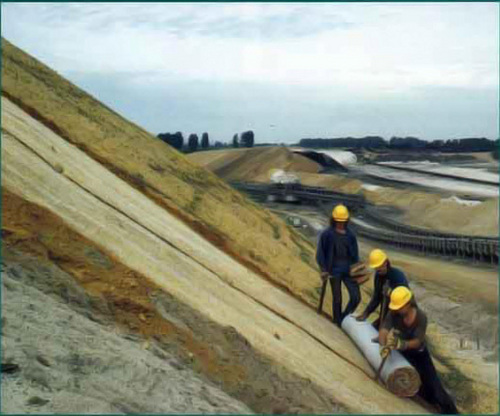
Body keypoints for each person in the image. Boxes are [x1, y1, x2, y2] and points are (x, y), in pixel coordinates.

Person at [379, 287, 459, 414]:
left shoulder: (421, 317)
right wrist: (383, 345)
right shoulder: (394, 314)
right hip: (404, 354)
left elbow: (417, 341)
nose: (397, 309)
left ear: (408, 303)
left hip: (420, 355)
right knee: (419, 388)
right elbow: (384, 329)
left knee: (435, 388)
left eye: (399, 307)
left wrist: (402, 344)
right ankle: (431, 404)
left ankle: (452, 411)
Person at [316, 204, 360, 326]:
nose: (340, 224)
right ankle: (337, 322)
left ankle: (343, 318)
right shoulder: (327, 234)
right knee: (337, 299)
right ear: (333, 220)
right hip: (333, 271)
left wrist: (357, 270)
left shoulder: (351, 236)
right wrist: (323, 269)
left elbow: (355, 255)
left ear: (346, 221)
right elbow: (320, 253)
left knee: (356, 297)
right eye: (338, 222)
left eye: (342, 222)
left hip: (349, 270)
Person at [355, 249, 409, 329]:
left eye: (379, 267)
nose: (378, 270)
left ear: (385, 262)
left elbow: (405, 299)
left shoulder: (398, 276)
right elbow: (376, 297)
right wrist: (366, 313)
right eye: (376, 268)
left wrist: (390, 293)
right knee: (374, 328)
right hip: (385, 313)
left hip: (400, 314)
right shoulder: (378, 277)